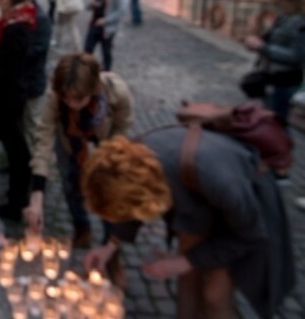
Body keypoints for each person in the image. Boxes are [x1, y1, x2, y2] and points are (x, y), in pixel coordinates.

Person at [81, 130, 295, 319]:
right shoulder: (134, 165)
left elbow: (249, 234)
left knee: (214, 294)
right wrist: (110, 246)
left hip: (243, 213)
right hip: (197, 200)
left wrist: (187, 261)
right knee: (188, 271)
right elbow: (130, 205)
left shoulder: (217, 180)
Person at [23, 53, 133, 247]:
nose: (72, 104)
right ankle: (82, 228)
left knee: (108, 185)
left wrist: (108, 158)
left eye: (78, 99)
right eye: (67, 99)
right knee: (70, 180)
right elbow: (44, 138)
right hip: (69, 138)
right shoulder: (57, 95)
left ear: (93, 89)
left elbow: (123, 127)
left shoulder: (118, 93)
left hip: (106, 139)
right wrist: (37, 196)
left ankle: (110, 241)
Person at [0, 0, 36, 221]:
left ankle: (17, 204)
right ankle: (17, 197)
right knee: (15, 147)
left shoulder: (18, 26)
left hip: (9, 95)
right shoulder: (13, 21)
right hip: (9, 93)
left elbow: (8, 66)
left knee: (17, 150)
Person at [243, 0, 305, 125]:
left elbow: (297, 55)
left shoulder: (299, 22)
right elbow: (272, 41)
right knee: (269, 117)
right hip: (272, 76)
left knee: (277, 122)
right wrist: (256, 31)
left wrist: (261, 47)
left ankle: (279, 146)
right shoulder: (282, 16)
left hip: (284, 80)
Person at [15, 0, 52, 150]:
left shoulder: (40, 18)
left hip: (31, 83)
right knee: (21, 127)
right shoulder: (20, 13)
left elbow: (34, 51)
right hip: (20, 83)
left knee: (34, 127)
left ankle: (38, 171)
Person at [84, 0, 126, 71]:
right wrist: (91, 4)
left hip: (107, 28)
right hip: (94, 24)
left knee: (106, 51)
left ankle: (107, 71)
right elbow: (87, 7)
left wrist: (105, 20)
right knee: (87, 49)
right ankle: (88, 69)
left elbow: (121, 11)